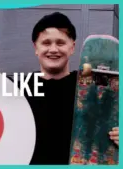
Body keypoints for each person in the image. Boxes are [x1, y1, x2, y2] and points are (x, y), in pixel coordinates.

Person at [17, 12, 119, 164]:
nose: (53, 49)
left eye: (60, 43)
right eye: (46, 43)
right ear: (35, 47)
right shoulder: (17, 88)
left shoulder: (92, 87)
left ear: (72, 47)